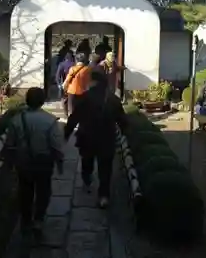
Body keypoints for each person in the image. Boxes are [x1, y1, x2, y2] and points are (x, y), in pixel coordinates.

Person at [64, 70, 127, 208]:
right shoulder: (113, 99)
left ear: (93, 82)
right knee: (105, 168)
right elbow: (123, 121)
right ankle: (103, 196)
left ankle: (87, 180)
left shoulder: (84, 98)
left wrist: (66, 134)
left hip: (87, 137)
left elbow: (73, 119)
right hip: (107, 138)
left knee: (87, 161)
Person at [7, 87, 64, 236]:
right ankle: (38, 219)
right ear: (42, 101)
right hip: (44, 161)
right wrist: (60, 162)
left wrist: (10, 162)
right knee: (43, 190)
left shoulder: (17, 120)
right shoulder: (50, 121)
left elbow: (10, 144)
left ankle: (26, 220)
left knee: (25, 190)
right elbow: (56, 144)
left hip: (23, 161)